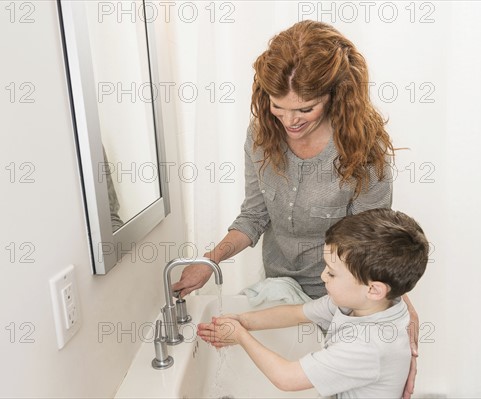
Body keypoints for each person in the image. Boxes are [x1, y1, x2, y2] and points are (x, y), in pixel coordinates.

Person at [172, 20, 420, 397]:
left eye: (305, 108)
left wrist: (400, 317)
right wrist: (211, 260)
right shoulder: (261, 136)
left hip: (340, 295)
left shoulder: (362, 151)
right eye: (278, 107)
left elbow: (373, 247)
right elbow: (254, 216)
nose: (290, 121)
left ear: (335, 95)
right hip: (282, 286)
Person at [197, 208, 429, 398]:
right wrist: (243, 320)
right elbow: (298, 313)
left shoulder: (367, 346)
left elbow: (286, 378)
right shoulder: (360, 304)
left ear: (374, 289)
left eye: (332, 273)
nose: (322, 276)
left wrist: (240, 336)